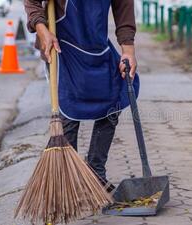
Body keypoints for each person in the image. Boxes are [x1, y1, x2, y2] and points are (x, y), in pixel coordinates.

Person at [24, 0, 139, 188]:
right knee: (70, 112)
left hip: (96, 46)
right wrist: (41, 27)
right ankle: (66, 182)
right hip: (61, 45)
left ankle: (96, 172)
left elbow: (123, 5)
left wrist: (128, 50)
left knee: (115, 97)